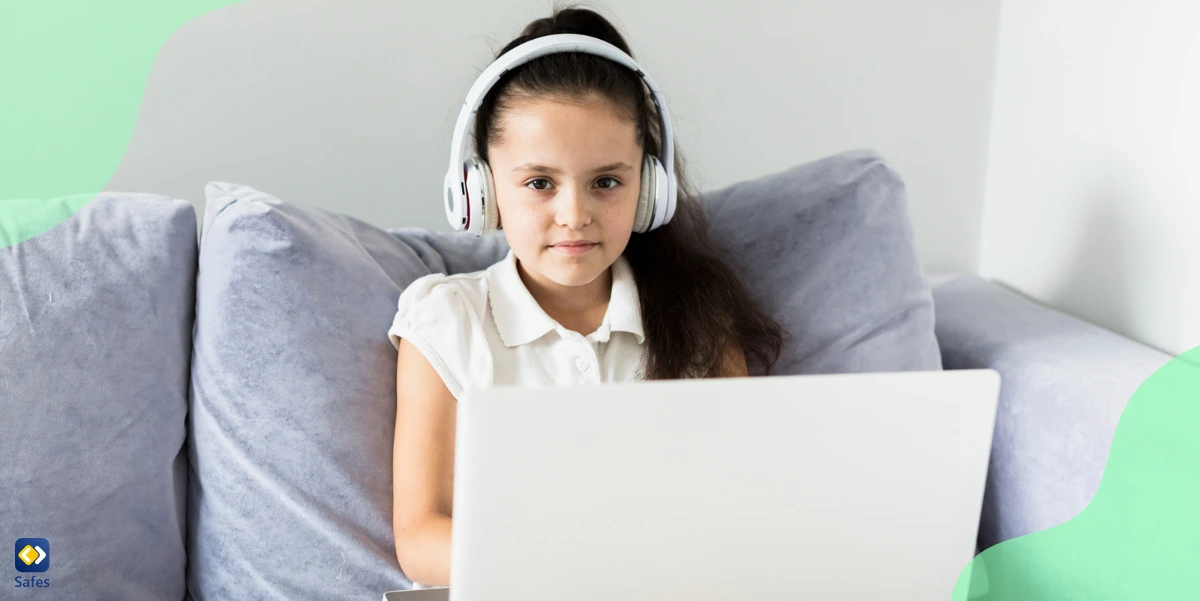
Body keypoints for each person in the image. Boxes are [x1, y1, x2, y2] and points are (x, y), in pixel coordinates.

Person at [387, 3, 785, 589]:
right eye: (539, 183)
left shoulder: (698, 323)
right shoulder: (446, 321)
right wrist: (578, 570)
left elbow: (741, 515)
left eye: (607, 182)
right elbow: (421, 538)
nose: (575, 215)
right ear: (480, 189)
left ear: (649, 189)